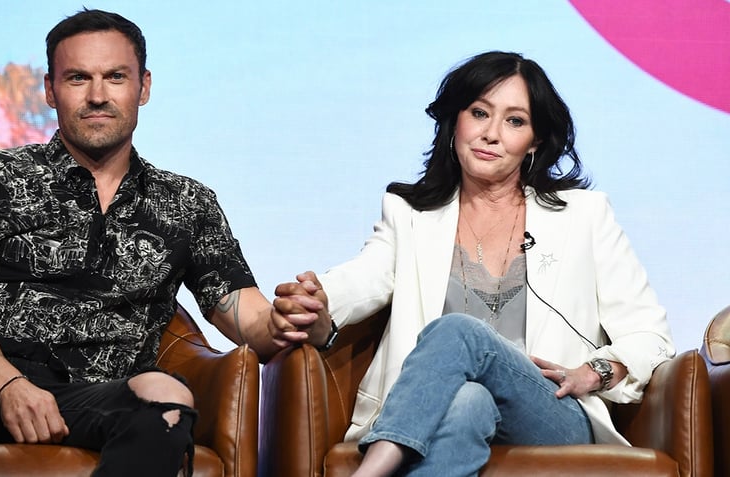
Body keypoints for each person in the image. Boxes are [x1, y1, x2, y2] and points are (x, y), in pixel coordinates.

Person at [0, 9, 323, 477]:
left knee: (167, 394)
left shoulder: (187, 203)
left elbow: (248, 316)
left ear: (144, 87)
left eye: (115, 77)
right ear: (50, 90)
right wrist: (9, 383)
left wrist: (292, 320)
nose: (97, 96)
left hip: (101, 392)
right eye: (77, 78)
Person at [274, 51, 675, 476]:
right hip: (445, 411)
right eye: (479, 113)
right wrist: (316, 303)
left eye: (515, 121)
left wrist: (593, 372)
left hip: (551, 412)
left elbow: (650, 335)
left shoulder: (585, 215)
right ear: (456, 121)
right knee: (467, 400)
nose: (491, 134)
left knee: (459, 332)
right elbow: (361, 280)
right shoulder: (411, 215)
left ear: (535, 141)